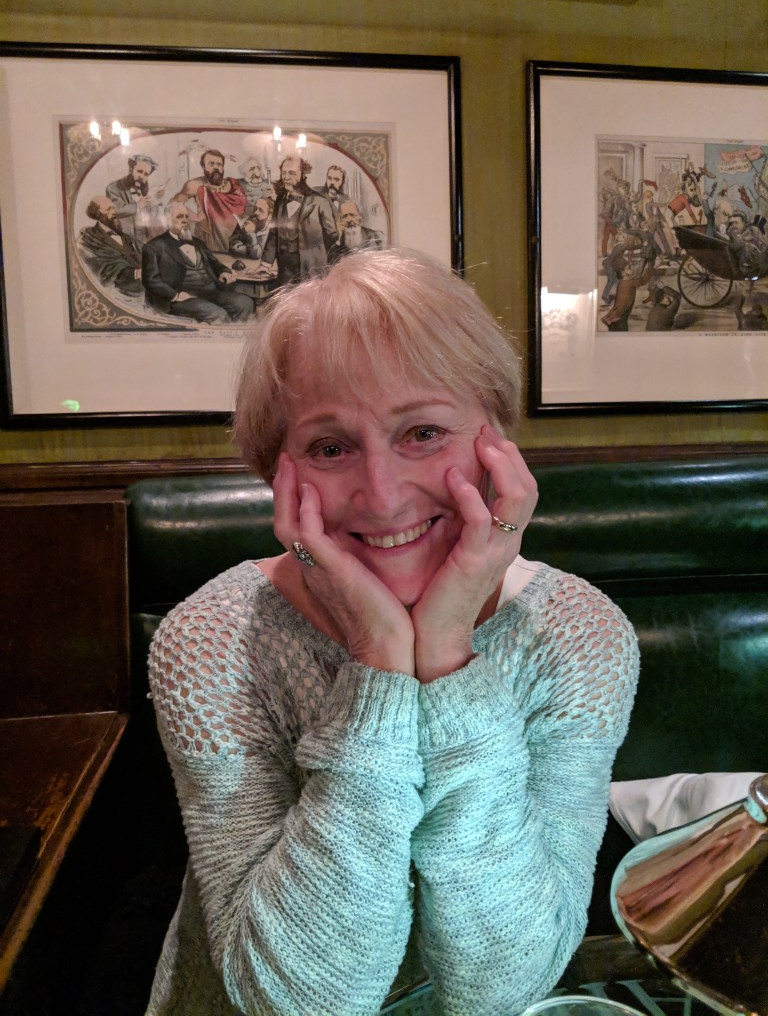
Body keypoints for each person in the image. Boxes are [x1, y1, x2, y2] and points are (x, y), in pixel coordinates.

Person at [146, 249, 639, 1015]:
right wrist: (380, 665)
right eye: (330, 447)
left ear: (495, 441)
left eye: (422, 433)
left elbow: (503, 984)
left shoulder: (577, 636)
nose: (382, 496)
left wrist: (445, 658)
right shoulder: (210, 640)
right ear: (280, 472)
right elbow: (298, 1001)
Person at [142, 201, 252, 323]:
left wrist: (223, 272)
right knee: (218, 314)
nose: (185, 220)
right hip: (182, 296)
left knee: (245, 303)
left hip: (210, 292)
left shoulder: (198, 243)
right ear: (167, 220)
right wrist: (175, 295)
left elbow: (215, 264)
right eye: (179, 217)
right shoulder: (154, 247)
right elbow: (151, 280)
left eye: (186, 217)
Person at [261, 155, 338, 285]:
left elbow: (331, 235)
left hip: (311, 269)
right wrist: (265, 264)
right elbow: (273, 234)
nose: (286, 178)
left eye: (291, 173)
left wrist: (317, 257)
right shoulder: (280, 200)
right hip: (285, 269)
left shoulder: (320, 202)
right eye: (284, 173)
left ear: (303, 175)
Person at [175, 148, 248, 252]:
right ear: (203, 167)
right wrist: (195, 218)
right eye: (211, 164)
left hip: (234, 240)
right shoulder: (195, 185)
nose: (216, 168)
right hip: (209, 240)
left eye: (219, 164)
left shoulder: (234, 185)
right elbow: (175, 204)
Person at [77, 196, 143, 295]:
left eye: (113, 208)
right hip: (116, 292)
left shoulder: (124, 237)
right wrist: (138, 274)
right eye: (109, 209)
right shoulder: (90, 237)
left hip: (138, 288)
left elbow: (135, 257)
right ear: (98, 213)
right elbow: (105, 268)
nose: (114, 212)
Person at [107, 154, 164, 248]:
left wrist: (156, 200)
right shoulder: (113, 188)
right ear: (130, 169)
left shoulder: (144, 190)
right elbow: (115, 211)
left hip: (144, 242)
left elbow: (151, 218)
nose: (142, 176)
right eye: (139, 171)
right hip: (124, 242)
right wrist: (137, 206)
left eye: (146, 174)